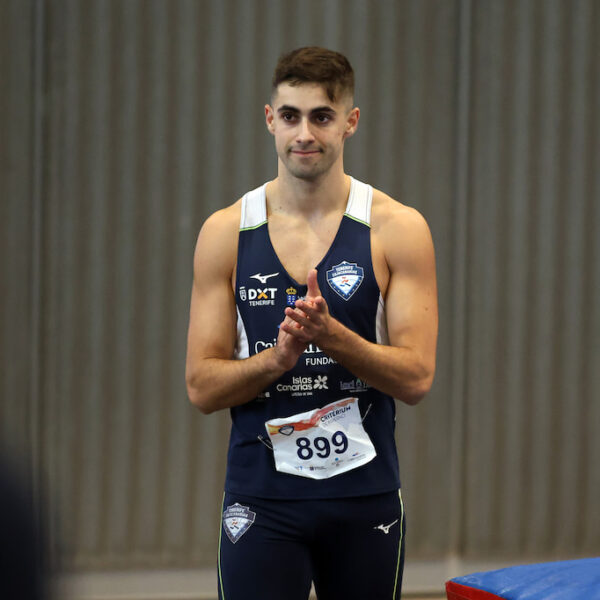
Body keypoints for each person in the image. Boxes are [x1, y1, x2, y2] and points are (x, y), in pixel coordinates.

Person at [185, 46, 438, 600]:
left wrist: (334, 337)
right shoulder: (227, 232)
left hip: (364, 497)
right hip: (262, 500)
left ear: (349, 122)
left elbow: (417, 378)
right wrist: (276, 360)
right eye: (292, 116)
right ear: (270, 118)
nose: (305, 133)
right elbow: (202, 387)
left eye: (321, 117)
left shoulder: (396, 229)